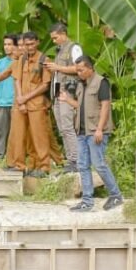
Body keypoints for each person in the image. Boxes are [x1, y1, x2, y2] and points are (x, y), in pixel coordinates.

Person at [68, 53, 124, 212]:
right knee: (83, 165)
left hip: (96, 131)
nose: (78, 73)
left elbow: (105, 106)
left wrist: (100, 129)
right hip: (82, 131)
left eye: (81, 70)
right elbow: (79, 106)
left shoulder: (101, 82)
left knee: (99, 164)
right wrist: (67, 99)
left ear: (90, 68)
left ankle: (116, 195)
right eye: (77, 71)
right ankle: (87, 201)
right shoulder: (81, 84)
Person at [7, 31, 54, 176]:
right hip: (21, 103)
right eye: (27, 45)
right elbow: (17, 80)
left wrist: (25, 98)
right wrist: (20, 99)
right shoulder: (21, 60)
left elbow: (45, 85)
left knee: (39, 136)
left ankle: (44, 167)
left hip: (37, 104)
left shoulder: (44, 60)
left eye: (32, 44)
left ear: (38, 42)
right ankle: (19, 165)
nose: (29, 47)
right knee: (18, 135)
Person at [46, 22, 83, 168]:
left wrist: (58, 67)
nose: (54, 41)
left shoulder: (74, 48)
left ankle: (76, 160)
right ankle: (70, 159)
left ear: (63, 34)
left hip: (68, 92)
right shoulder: (59, 50)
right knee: (62, 129)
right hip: (57, 92)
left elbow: (79, 68)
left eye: (55, 38)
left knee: (68, 127)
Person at [0, 35, 17, 161]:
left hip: (16, 102)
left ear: (16, 46)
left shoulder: (21, 62)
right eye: (5, 44)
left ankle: (13, 155)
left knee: (16, 131)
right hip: (2, 102)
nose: (7, 47)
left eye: (9, 44)